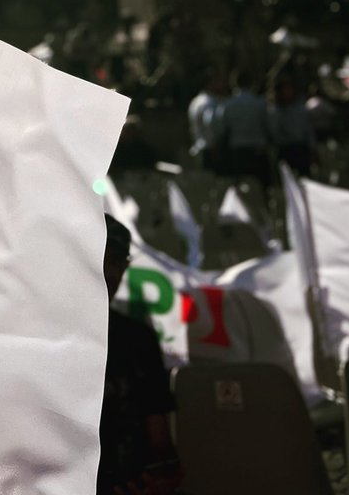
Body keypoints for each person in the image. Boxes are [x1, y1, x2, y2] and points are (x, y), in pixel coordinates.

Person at [98, 215, 182, 495]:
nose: (108, 272)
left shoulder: (137, 339)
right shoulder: (39, 338)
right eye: (99, 257)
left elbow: (159, 438)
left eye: (115, 261)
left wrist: (161, 477)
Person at [219, 71, 272, 186]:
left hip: (238, 150)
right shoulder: (260, 103)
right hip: (258, 149)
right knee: (261, 185)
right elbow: (268, 125)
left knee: (241, 186)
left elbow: (223, 128)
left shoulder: (228, 105)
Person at [267, 69, 315, 177]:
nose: (287, 92)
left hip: (301, 148)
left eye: (289, 89)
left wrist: (312, 147)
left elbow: (307, 129)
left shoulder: (300, 108)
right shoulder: (274, 110)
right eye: (284, 89)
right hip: (285, 148)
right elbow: (273, 131)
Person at [186, 68, 228, 171]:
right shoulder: (209, 102)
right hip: (210, 151)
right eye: (218, 81)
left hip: (198, 147)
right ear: (210, 82)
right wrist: (215, 144)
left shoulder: (196, 101)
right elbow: (210, 124)